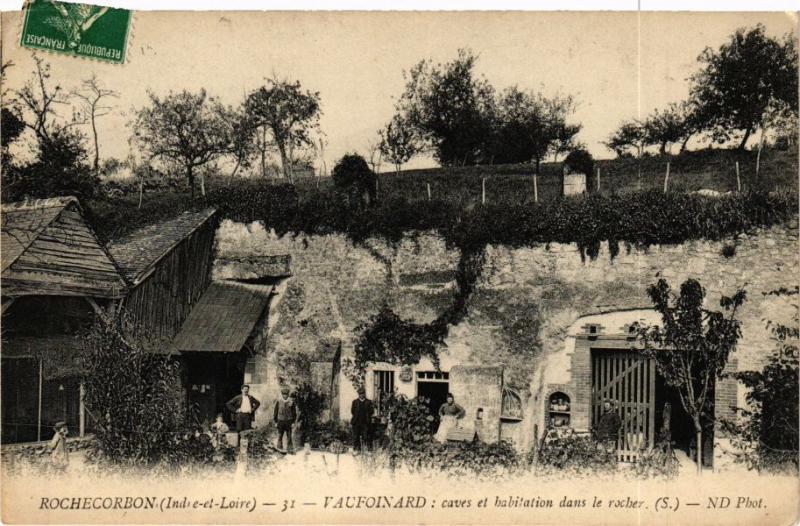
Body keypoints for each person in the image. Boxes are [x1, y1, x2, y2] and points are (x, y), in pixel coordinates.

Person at [273, 386, 297, 453]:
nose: (285, 396)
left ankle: (290, 449)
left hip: (289, 421)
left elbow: (294, 413)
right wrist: (276, 421)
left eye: (286, 394)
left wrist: (293, 422)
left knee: (289, 436)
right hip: (280, 421)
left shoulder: (291, 402)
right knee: (280, 435)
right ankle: (279, 449)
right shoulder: (279, 401)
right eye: (283, 394)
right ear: (282, 394)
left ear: (288, 395)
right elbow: (276, 411)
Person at [350, 386, 374, 453]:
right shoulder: (355, 402)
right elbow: (352, 411)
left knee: (366, 436)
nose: (361, 395)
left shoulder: (369, 402)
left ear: (365, 394)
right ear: (358, 394)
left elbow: (371, 411)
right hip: (356, 422)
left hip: (365, 422)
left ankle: (367, 450)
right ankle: (356, 450)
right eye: (360, 394)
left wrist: (367, 417)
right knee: (356, 437)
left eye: (363, 393)